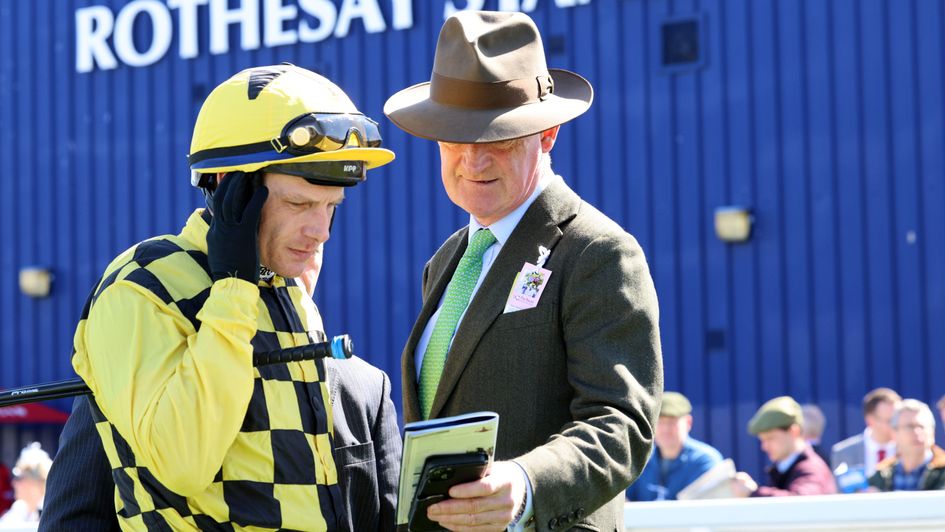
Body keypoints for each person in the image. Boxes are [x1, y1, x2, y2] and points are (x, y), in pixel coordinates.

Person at [42, 64, 401, 531]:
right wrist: (233, 285)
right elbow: (183, 461)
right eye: (299, 204)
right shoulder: (140, 284)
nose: (321, 231)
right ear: (233, 185)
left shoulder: (288, 291)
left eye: (332, 206)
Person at [384, 10, 662, 531]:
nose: (473, 160)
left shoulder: (597, 251)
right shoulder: (445, 262)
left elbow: (623, 423)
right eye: (454, 138)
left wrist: (526, 483)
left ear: (548, 133)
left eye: (497, 139)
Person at [731, 396, 837, 497]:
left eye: (770, 438)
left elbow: (800, 505)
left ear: (794, 431)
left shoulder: (811, 469)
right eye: (762, 440)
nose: (764, 447)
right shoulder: (784, 470)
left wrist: (753, 493)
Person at [626, 392, 723, 501]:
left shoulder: (705, 460)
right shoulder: (640, 458)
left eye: (672, 422)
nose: (665, 429)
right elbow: (627, 500)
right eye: (660, 422)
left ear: (688, 422)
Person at [868, 399, 945, 491]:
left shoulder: (942, 472)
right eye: (910, 426)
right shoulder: (880, 476)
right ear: (894, 433)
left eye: (922, 426)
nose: (917, 432)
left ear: (933, 432)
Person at [831, 387, 901, 477]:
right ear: (870, 421)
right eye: (890, 421)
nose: (897, 426)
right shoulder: (844, 453)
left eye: (898, 420)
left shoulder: (909, 450)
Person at [0, 442, 52, 524]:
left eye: (19, 478)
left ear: (36, 482)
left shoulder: (51, 511)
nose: (13, 483)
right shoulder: (19, 509)